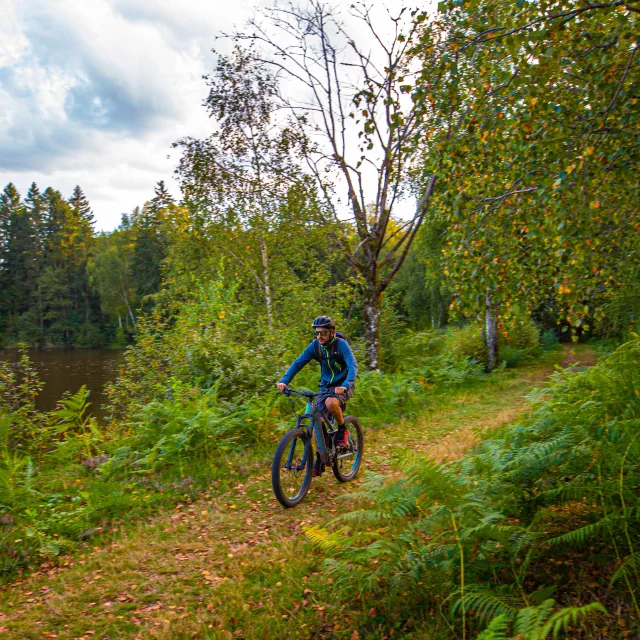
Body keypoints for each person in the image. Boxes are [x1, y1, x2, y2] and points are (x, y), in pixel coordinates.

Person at [276, 316, 358, 476]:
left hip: (344, 385)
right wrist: (284, 381)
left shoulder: (341, 345)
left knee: (330, 403)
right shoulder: (316, 346)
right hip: (326, 386)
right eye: (317, 333)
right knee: (316, 425)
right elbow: (298, 363)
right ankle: (321, 458)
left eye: (323, 333)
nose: (319, 336)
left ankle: (342, 429)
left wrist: (346, 385)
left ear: (332, 332)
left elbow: (352, 365)